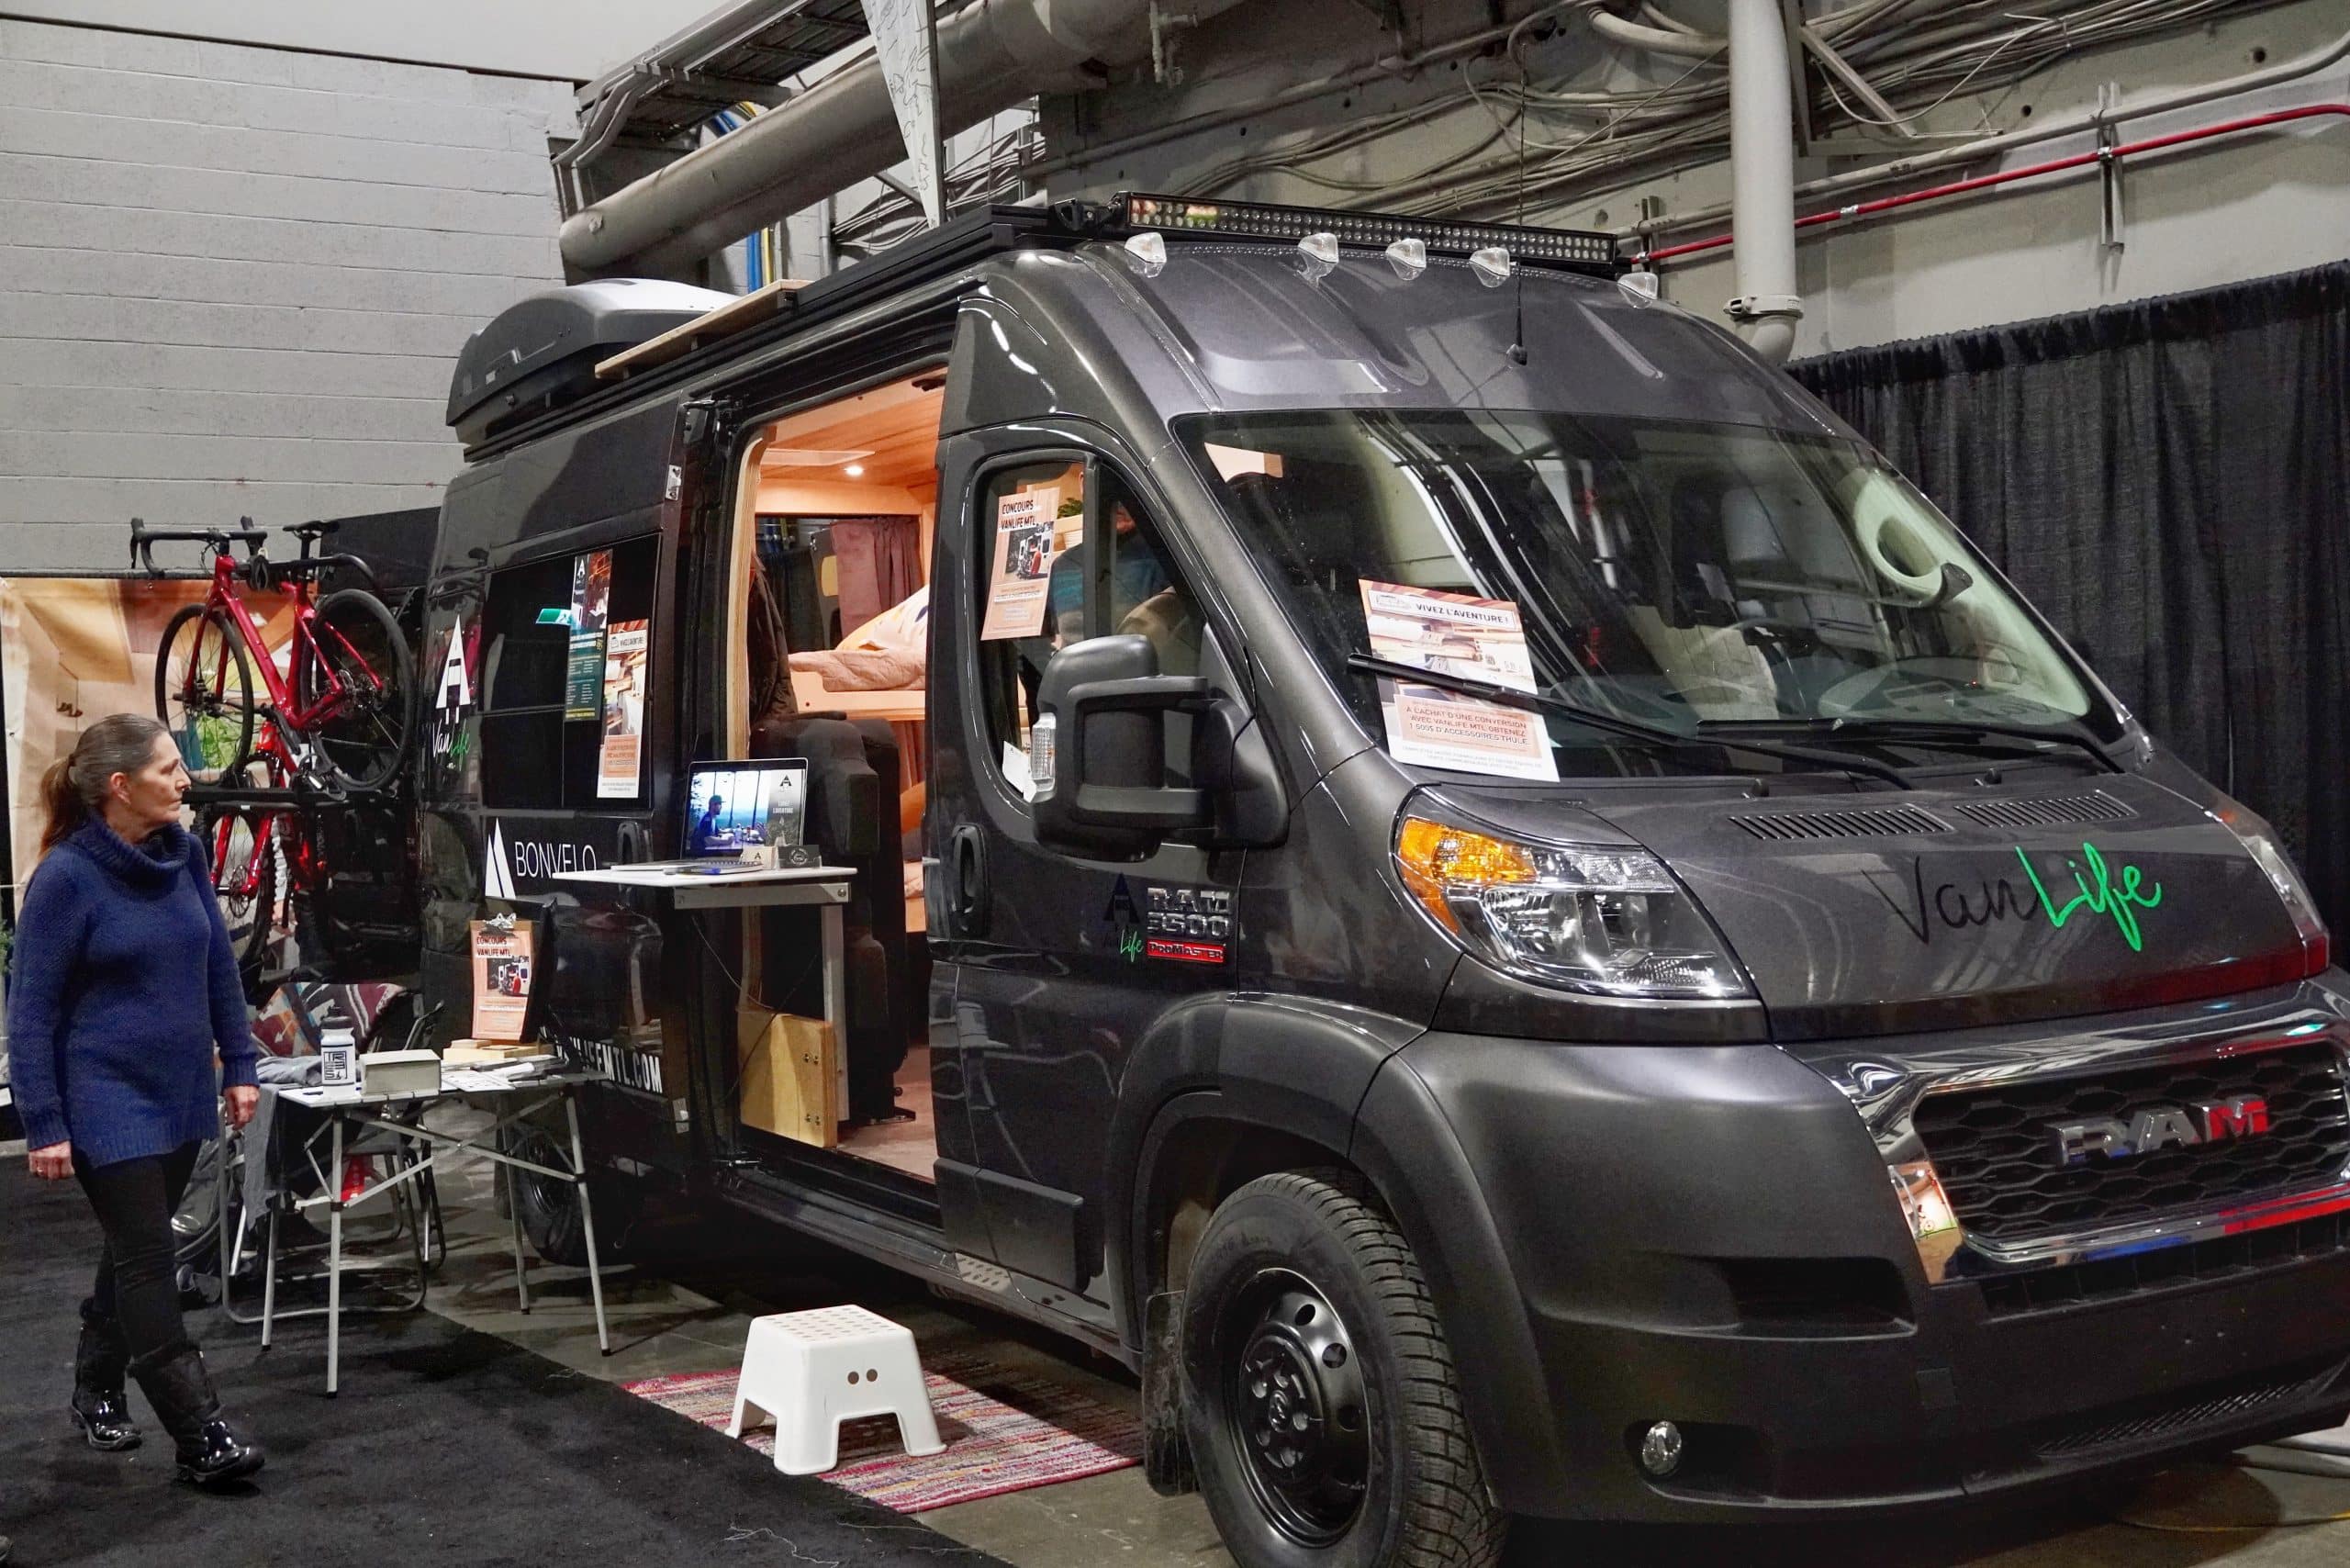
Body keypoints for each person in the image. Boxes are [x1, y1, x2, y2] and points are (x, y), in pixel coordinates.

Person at [5, 713, 264, 1489]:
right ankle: (199, 1433)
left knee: (135, 1248)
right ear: (121, 787)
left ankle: (96, 1384)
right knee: (150, 1258)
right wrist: (42, 1120)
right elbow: (30, 1012)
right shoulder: (66, 878)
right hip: (104, 1097)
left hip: (181, 1090)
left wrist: (241, 1063)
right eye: (167, 770)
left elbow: (219, 967)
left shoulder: (182, 856)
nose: (185, 780)